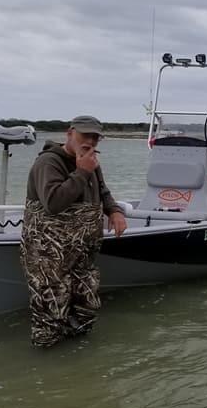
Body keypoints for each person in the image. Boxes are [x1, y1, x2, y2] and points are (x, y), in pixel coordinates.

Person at [20, 115, 127, 348]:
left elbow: (103, 191)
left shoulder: (90, 162)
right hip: (48, 256)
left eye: (95, 137)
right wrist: (81, 172)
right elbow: (54, 203)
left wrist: (114, 211)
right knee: (50, 313)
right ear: (70, 133)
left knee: (86, 306)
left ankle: (78, 364)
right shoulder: (48, 162)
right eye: (84, 135)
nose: (90, 141)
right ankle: (46, 370)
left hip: (82, 253)